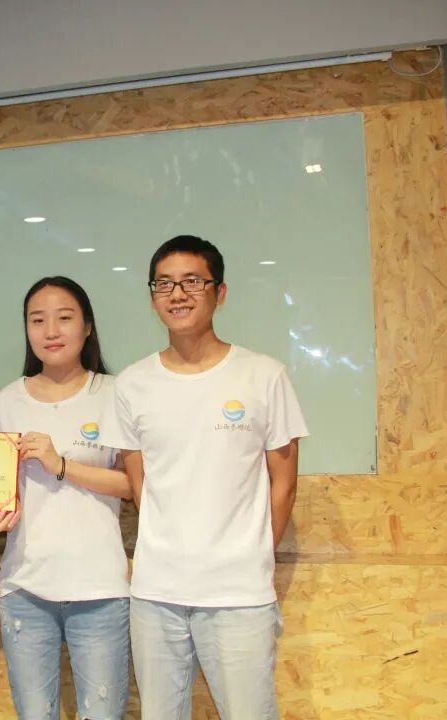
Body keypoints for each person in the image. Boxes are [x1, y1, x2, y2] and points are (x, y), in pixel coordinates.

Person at [100, 236, 308, 720]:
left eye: (192, 281)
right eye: (164, 284)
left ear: (220, 292)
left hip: (239, 595)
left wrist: (254, 556)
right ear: (153, 297)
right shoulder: (132, 384)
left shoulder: (263, 376)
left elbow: (284, 483)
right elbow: (141, 486)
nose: (177, 294)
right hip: (156, 593)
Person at [0, 276, 132, 719]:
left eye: (64, 318)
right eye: (37, 320)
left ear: (87, 326)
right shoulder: (7, 399)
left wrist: (62, 464)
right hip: (25, 586)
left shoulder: (114, 394)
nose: (50, 331)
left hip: (100, 587)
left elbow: (133, 486)